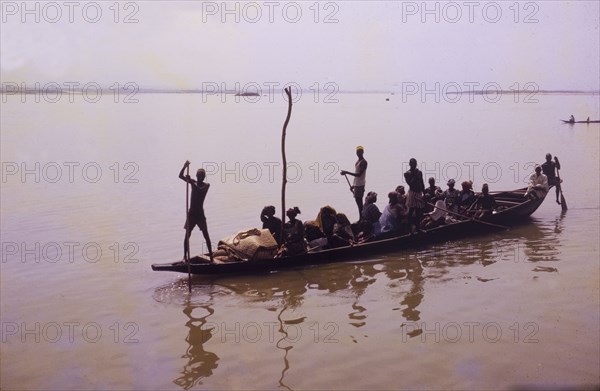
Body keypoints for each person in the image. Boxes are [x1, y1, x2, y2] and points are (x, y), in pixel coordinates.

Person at [179, 160, 213, 262]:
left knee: (206, 235)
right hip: (191, 214)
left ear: (204, 177)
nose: (199, 178)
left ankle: (211, 257)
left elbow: (199, 190)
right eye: (198, 176)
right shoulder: (193, 182)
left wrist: (191, 182)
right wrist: (184, 166)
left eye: (201, 176)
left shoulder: (206, 185)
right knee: (187, 235)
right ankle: (185, 257)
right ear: (196, 176)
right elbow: (180, 176)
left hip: (200, 215)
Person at [340, 146, 368, 217]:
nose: (358, 153)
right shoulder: (357, 162)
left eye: (360, 151)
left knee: (359, 203)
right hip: (357, 184)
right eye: (357, 152)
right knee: (358, 202)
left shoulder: (363, 162)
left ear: (363, 152)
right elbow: (356, 175)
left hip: (360, 185)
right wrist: (353, 185)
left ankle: (361, 218)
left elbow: (359, 174)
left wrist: (347, 172)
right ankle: (361, 218)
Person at [404, 158, 426, 233]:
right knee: (411, 211)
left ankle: (418, 228)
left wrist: (424, 193)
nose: (414, 165)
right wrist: (414, 175)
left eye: (415, 163)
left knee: (418, 211)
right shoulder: (407, 173)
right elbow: (410, 183)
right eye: (412, 163)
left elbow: (422, 183)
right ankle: (409, 230)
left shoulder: (419, 172)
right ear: (410, 164)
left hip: (419, 193)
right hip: (412, 193)